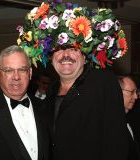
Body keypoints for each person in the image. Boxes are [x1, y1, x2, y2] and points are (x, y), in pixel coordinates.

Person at [17, 1, 129, 160]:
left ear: (84, 55)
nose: (65, 55)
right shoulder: (52, 89)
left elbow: (116, 139)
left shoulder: (102, 81)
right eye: (59, 49)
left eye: (73, 48)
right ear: (51, 57)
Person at [118, 76, 140, 160]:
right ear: (117, 92)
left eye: (136, 92)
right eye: (131, 92)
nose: (136, 97)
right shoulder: (110, 124)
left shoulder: (132, 118)